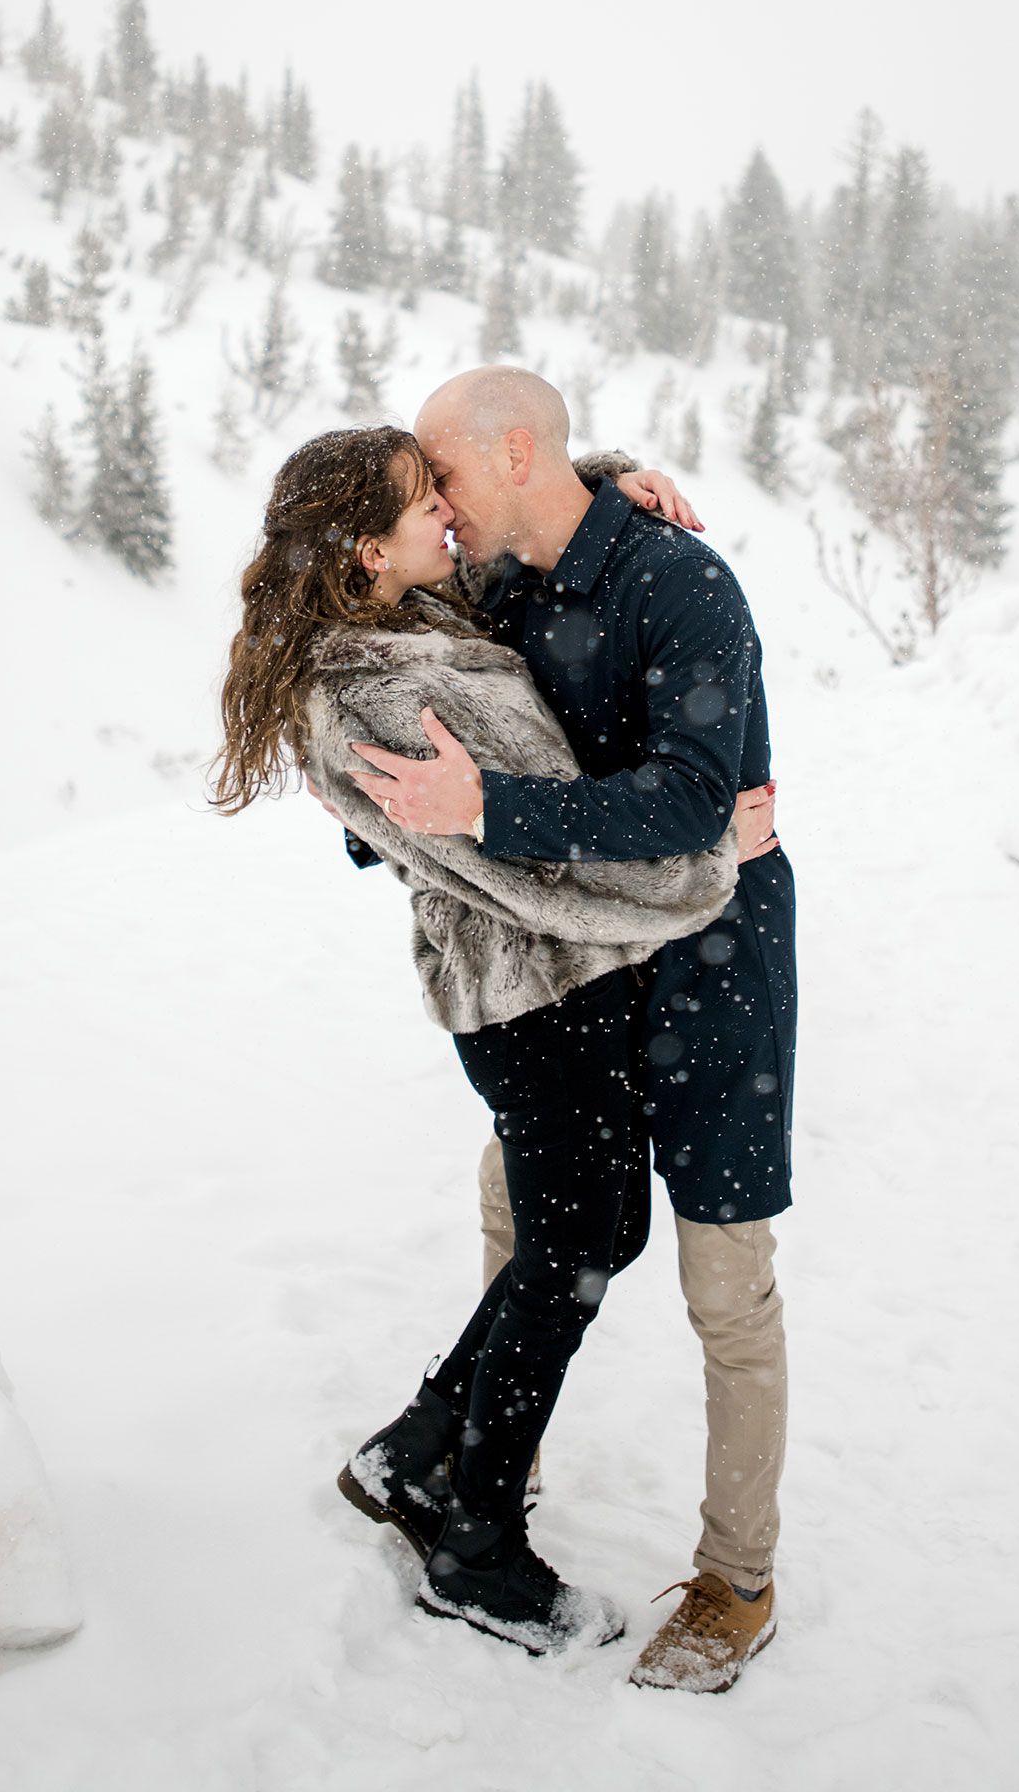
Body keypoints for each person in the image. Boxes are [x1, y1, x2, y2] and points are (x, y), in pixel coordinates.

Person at [213, 424, 774, 1658]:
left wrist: (606, 474)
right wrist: (705, 866)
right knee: (573, 1246)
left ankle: (421, 1447)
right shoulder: (391, 684)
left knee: (589, 1232)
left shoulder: (402, 617)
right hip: (534, 994)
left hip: (543, 996)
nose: (448, 519)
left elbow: (530, 515)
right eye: (426, 502)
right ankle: (472, 1540)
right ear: (371, 546)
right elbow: (540, 870)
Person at [344, 367, 793, 1696]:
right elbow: (403, 729)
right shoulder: (495, 588)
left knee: (727, 1286)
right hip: (569, 980)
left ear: (520, 452)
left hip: (711, 975)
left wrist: (489, 811)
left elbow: (688, 801)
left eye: (448, 477)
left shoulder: (681, 586)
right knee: (529, 1224)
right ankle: (490, 1461)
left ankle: (737, 1580)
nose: (436, 503)